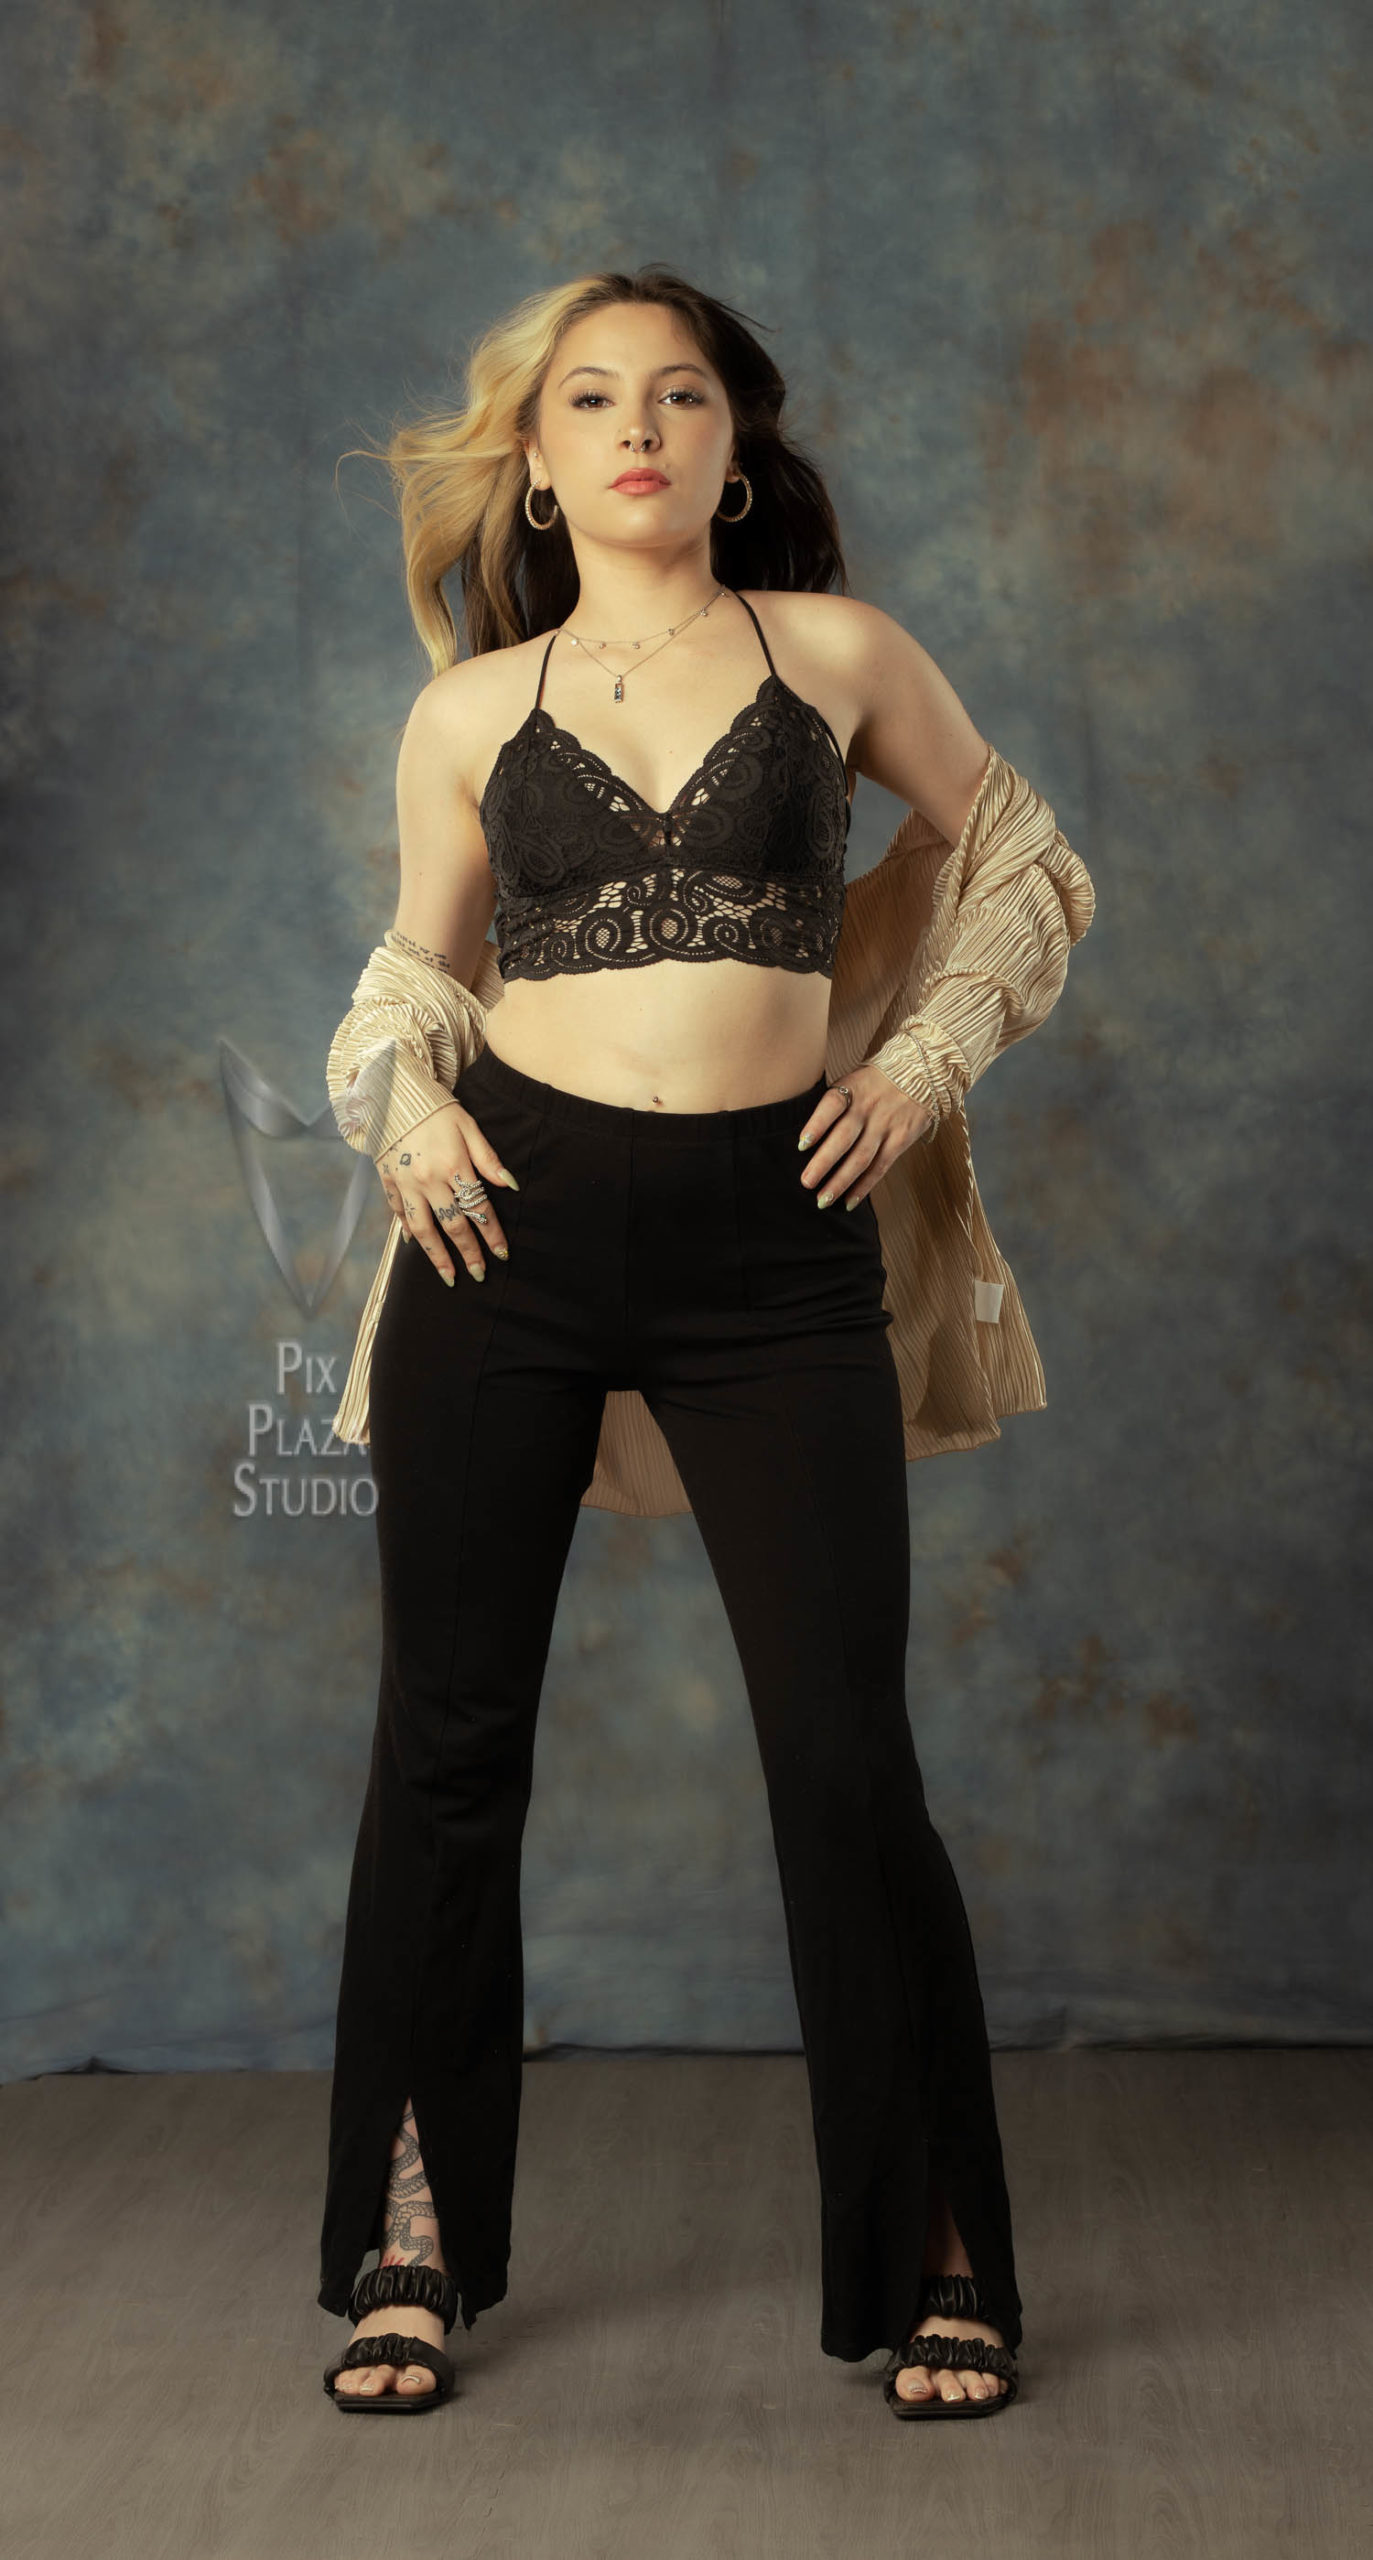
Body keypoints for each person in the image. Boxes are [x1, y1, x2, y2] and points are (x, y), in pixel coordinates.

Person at [317, 264, 1093, 2420]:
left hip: (780, 1238)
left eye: (680, 395)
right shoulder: (470, 712)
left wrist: (925, 1058)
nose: (639, 425)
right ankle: (411, 2235)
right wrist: (398, 1102)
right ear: (541, 463)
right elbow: (414, 971)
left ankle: (938, 2239)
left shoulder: (838, 654)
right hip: (515, 1225)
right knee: (450, 1744)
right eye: (592, 398)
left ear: (733, 447)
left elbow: (1021, 854)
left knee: (846, 1754)